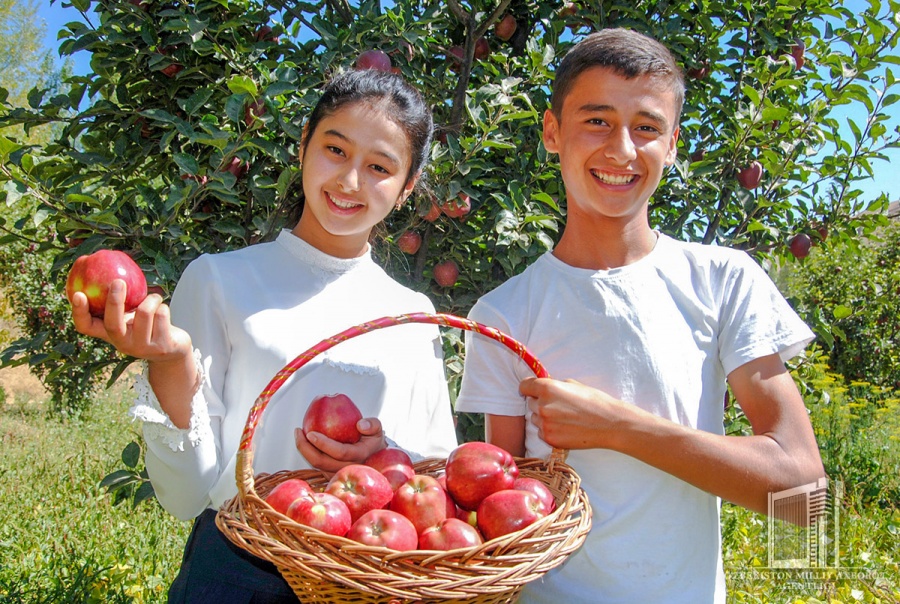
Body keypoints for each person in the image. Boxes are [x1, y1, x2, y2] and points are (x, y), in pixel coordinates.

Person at [455, 28, 825, 604]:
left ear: (672, 144)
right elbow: (503, 511)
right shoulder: (502, 314)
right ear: (552, 133)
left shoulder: (724, 281)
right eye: (596, 120)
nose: (622, 150)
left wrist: (620, 428)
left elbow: (802, 494)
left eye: (647, 127)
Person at [70, 69, 458, 602]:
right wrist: (170, 362)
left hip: (366, 578)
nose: (349, 182)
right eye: (335, 150)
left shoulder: (413, 312)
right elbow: (186, 495)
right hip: (237, 571)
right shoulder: (219, 278)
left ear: (408, 185)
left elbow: (436, 477)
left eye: (379, 167)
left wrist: (380, 458)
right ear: (304, 145)